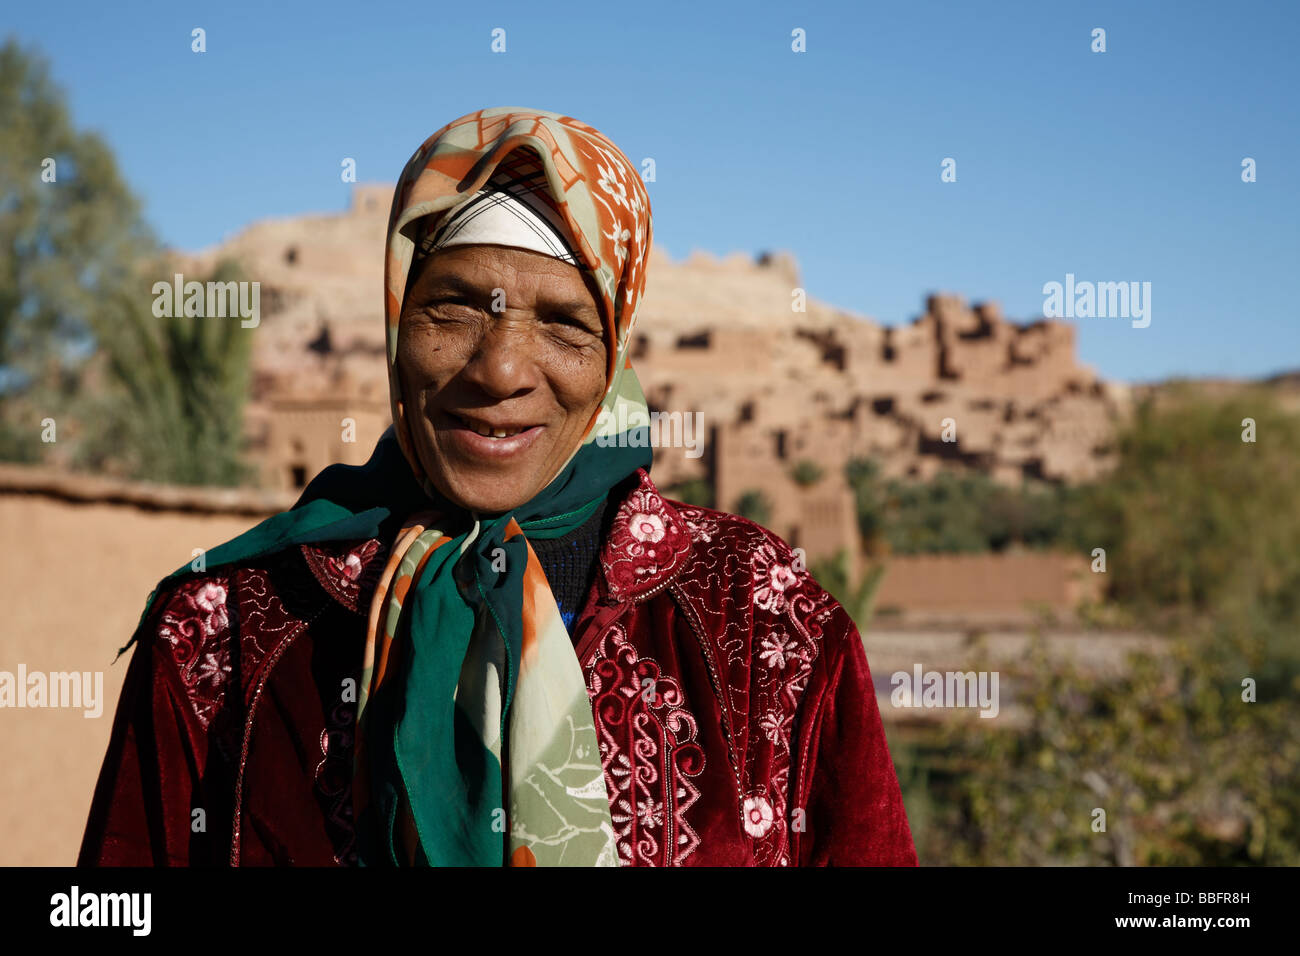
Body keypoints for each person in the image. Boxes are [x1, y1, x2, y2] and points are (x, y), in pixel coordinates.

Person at [78, 106, 918, 867]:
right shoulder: (226, 630)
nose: (502, 369)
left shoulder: (770, 622)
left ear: (612, 351)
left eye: (561, 323)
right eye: (454, 309)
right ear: (397, 320)